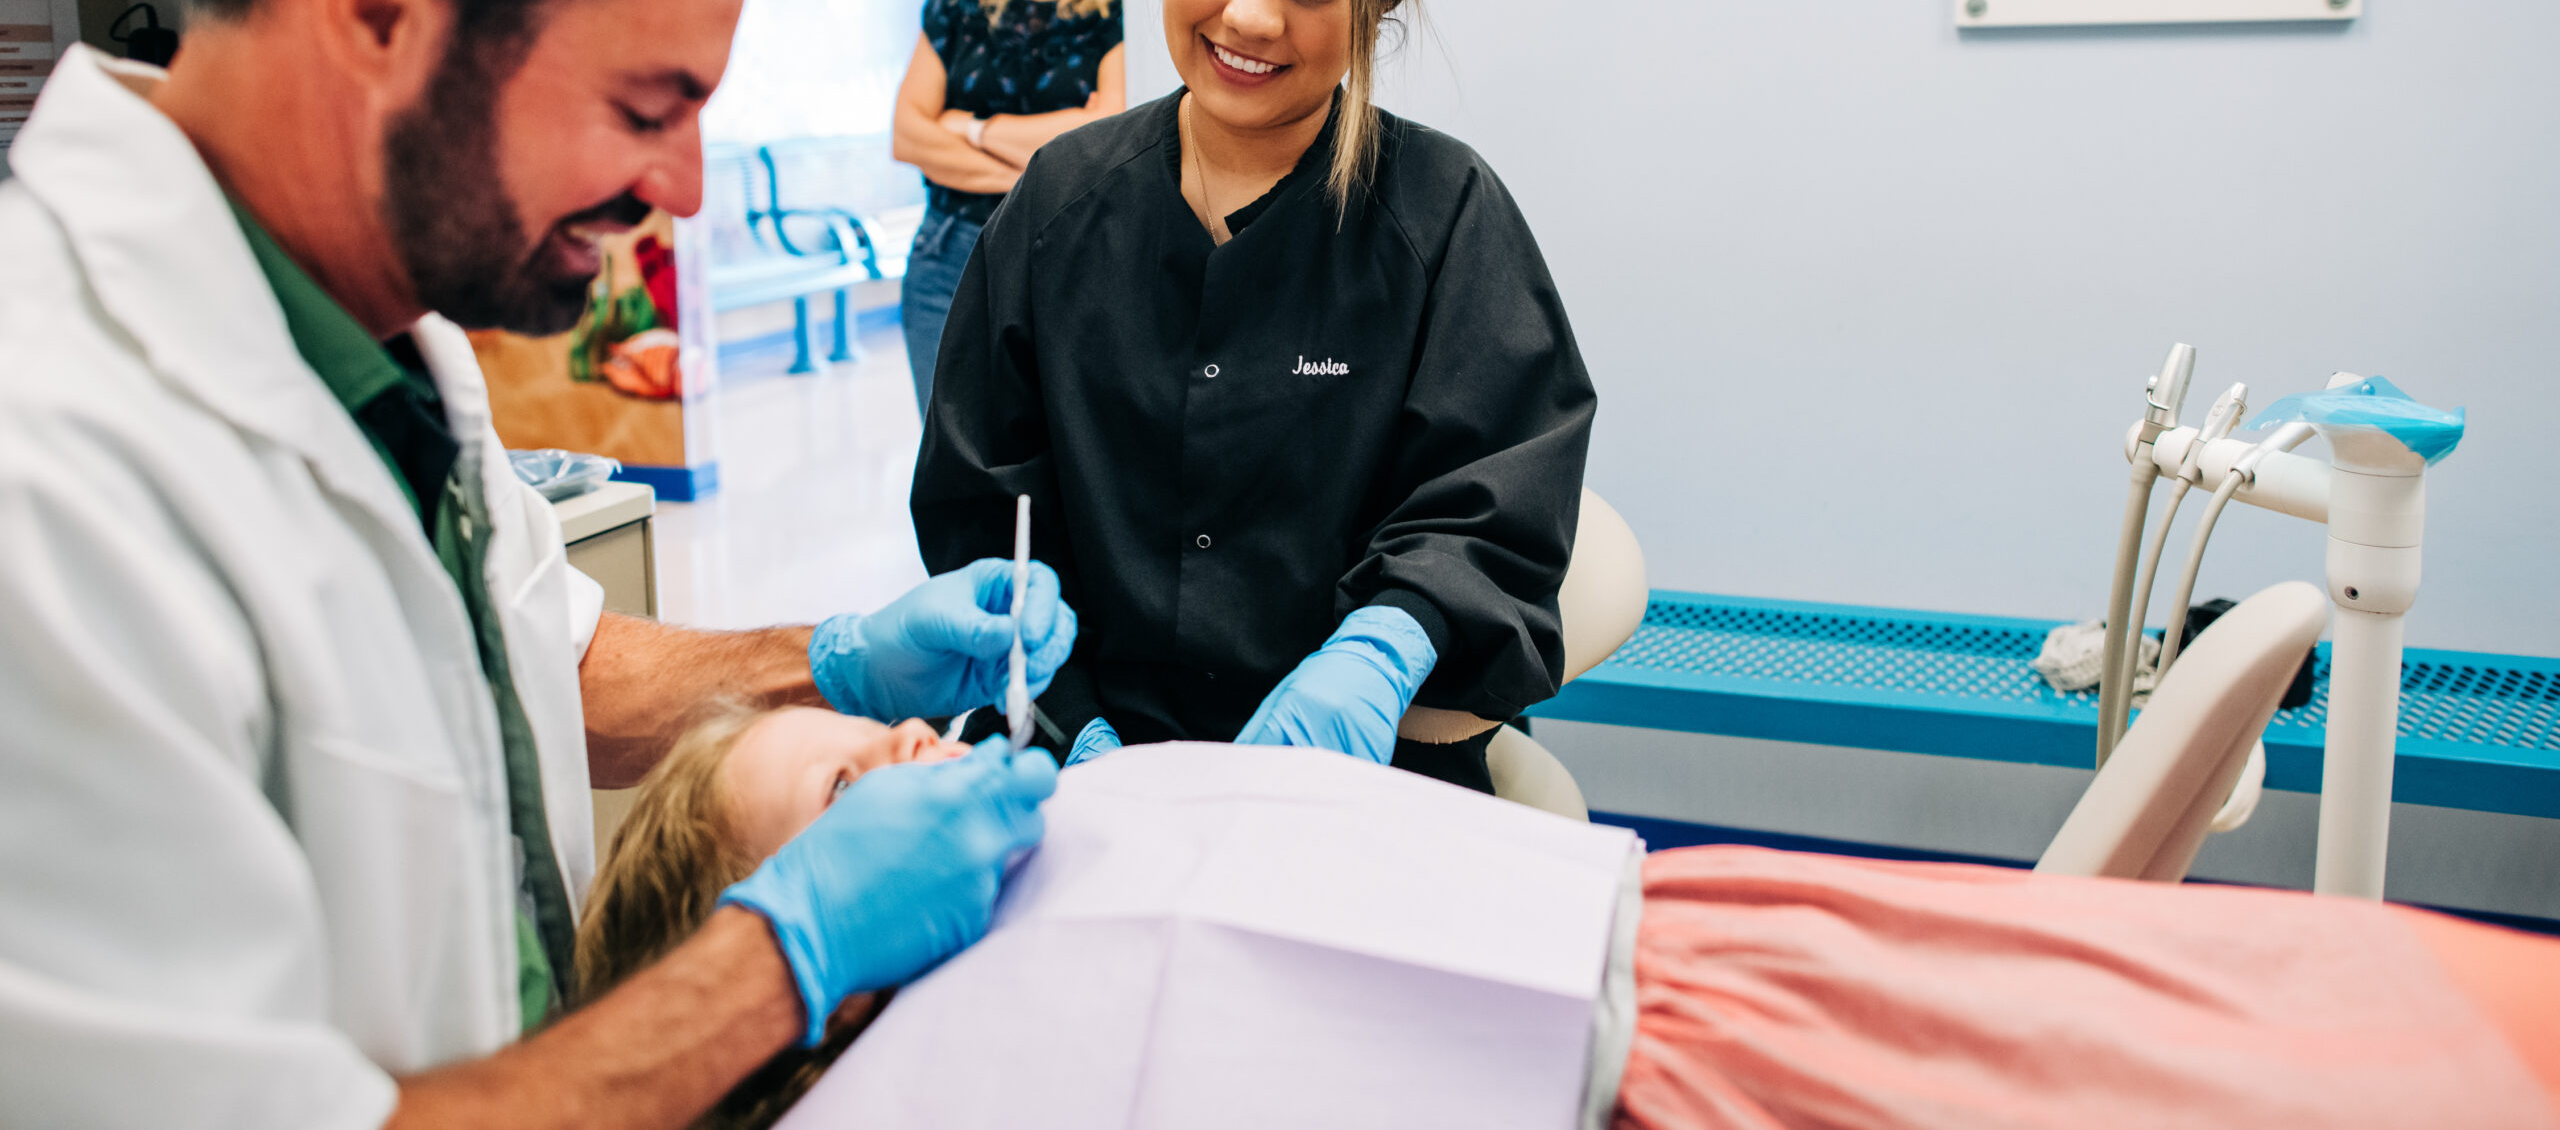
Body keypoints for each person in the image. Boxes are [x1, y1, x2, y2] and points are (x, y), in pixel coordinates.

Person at [0, 0, 1074, 1129]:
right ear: (380, 7)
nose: (683, 190)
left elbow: (533, 667)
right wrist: (778, 962)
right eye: (646, 107)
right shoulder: (46, 472)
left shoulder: (382, 328)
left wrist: (825, 661)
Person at [577, 711, 2560, 1129]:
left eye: (902, 730)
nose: (930, 758)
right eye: (852, 792)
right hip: (1670, 1066)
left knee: (2362, 1001)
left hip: (1715, 929)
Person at [910, 0, 1597, 793]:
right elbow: (984, 503)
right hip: (1084, 757)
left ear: (1377, 3)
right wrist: (1072, 725)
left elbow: (1493, 507)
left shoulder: (1442, 211)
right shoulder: (1063, 201)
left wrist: (1381, 650)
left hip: (1363, 768)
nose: (1253, 15)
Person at [890, 0, 1125, 413]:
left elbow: (1106, 134)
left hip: (1073, 262)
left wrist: (969, 128)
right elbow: (908, 135)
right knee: (956, 481)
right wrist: (1048, 163)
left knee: (1068, 478)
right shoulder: (957, 1)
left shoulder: (1122, 4)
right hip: (949, 260)